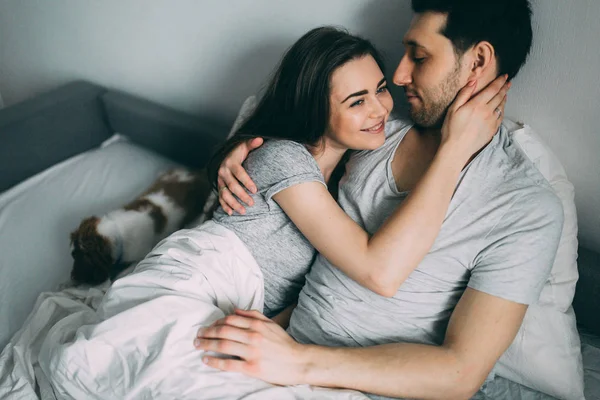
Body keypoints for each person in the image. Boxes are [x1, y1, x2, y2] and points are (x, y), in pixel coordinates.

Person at [39, 26, 505, 398]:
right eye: (356, 101)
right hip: (199, 276)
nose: (381, 108)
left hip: (238, 299)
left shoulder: (347, 177)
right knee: (126, 370)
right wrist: (454, 150)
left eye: (380, 89)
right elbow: (376, 269)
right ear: (315, 109)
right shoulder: (283, 158)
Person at [196, 1, 564, 399]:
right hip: (271, 357)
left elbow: (460, 372)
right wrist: (236, 154)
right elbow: (288, 140)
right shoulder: (373, 136)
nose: (400, 73)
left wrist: (299, 360)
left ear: (478, 61)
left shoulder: (525, 207)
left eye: (419, 56)